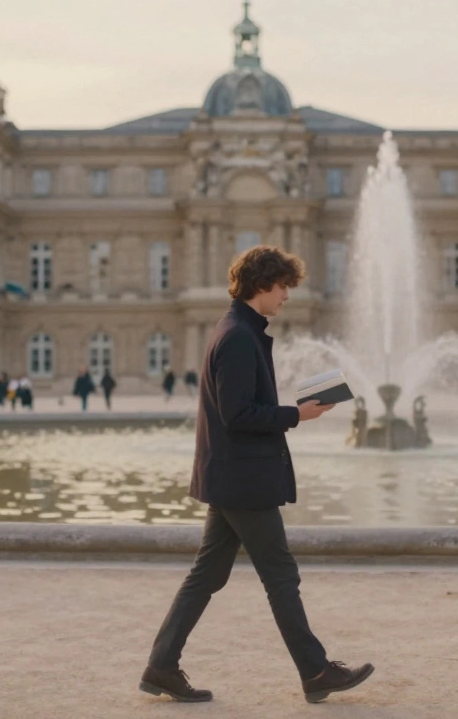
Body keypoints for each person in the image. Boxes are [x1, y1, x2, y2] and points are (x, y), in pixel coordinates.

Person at [141, 246, 373, 705]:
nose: (287, 294)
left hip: (232, 475)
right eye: (283, 285)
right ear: (261, 284)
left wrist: (294, 407)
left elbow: (238, 408)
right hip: (243, 479)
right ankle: (316, 671)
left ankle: (161, 666)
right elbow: (237, 414)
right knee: (280, 574)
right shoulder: (239, 337)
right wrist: (296, 414)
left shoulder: (238, 330)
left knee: (206, 575)